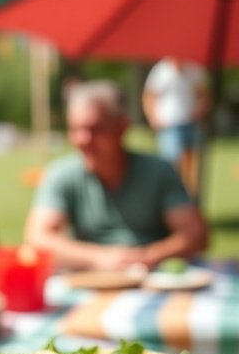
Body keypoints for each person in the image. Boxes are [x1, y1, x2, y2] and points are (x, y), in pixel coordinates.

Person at [24, 80, 207, 272]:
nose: (82, 140)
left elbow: (195, 234)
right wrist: (99, 258)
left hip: (154, 278)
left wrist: (148, 257)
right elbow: (38, 237)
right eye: (75, 129)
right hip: (91, 281)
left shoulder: (158, 171)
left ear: (122, 127)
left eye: (95, 129)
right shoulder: (62, 174)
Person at [142, 58, 211, 196]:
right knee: (172, 161)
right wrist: (153, 118)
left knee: (191, 163)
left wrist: (200, 110)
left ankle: (189, 196)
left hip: (190, 122)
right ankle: (171, 195)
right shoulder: (161, 70)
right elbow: (149, 96)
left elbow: (203, 94)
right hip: (169, 124)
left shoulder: (194, 69)